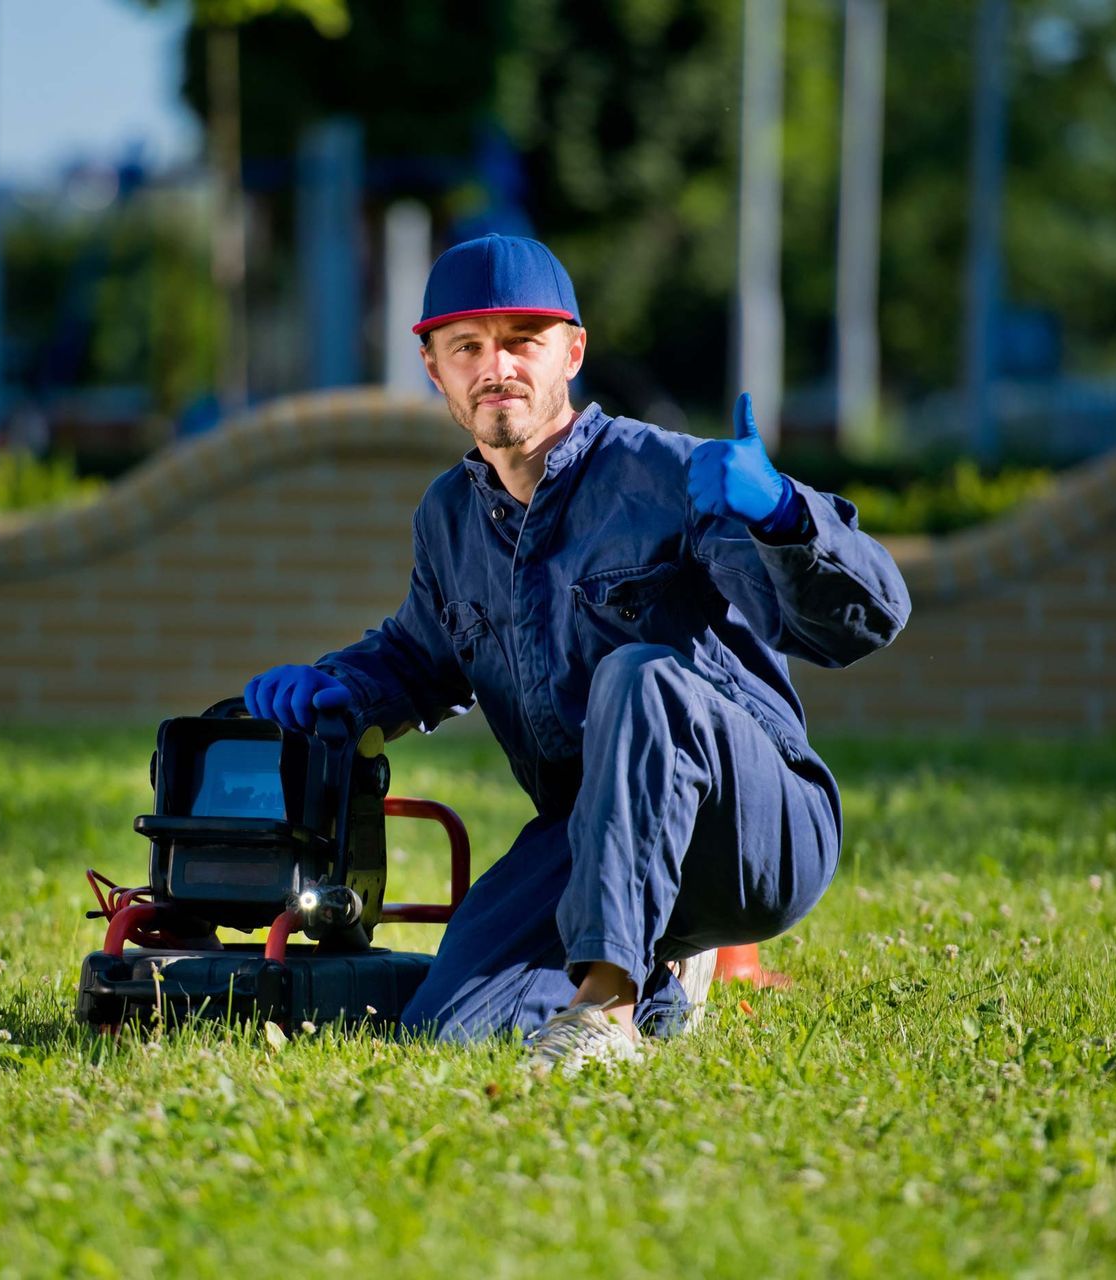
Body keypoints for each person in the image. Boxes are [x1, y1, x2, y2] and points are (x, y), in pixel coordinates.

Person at [243, 234, 911, 1076]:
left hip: (755, 828)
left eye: (523, 340)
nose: (499, 367)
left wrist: (781, 512)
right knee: (447, 1031)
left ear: (572, 352)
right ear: (433, 367)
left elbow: (863, 619)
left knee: (637, 675)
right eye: (468, 347)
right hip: (590, 840)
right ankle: (663, 977)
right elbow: (422, 657)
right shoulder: (450, 518)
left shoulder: (668, 476)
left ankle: (605, 1008)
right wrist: (342, 686)